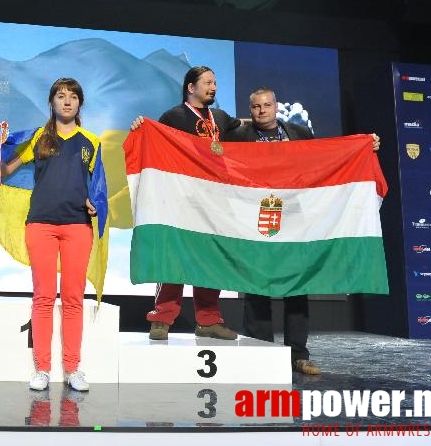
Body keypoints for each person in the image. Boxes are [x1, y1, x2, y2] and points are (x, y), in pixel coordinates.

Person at [224, 87, 380, 375]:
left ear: (276, 105)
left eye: (267, 105)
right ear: (251, 109)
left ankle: (298, 356)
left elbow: (325, 159)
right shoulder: (236, 136)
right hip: (255, 218)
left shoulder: (299, 133)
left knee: (296, 289)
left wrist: (364, 146)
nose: (262, 111)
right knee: (256, 287)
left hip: (294, 219)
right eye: (256, 107)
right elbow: (209, 154)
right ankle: (262, 356)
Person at [0, 78, 99, 392]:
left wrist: (95, 203)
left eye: (73, 97)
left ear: (80, 104)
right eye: (61, 96)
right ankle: (42, 369)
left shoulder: (91, 141)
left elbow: (100, 186)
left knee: (74, 298)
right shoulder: (40, 137)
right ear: (51, 102)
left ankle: (74, 368)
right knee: (44, 297)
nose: (67, 102)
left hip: (78, 227)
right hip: (41, 225)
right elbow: (6, 171)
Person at [130, 65, 240, 341]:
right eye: (207, 83)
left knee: (211, 259)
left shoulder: (221, 118)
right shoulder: (173, 117)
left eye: (215, 83)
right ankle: (162, 318)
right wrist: (140, 128)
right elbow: (152, 142)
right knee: (173, 257)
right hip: (180, 200)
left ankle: (209, 320)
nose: (213, 87)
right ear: (191, 87)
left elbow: (245, 131)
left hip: (214, 201)